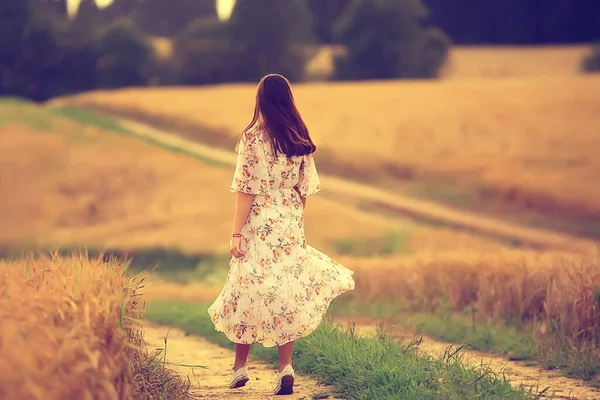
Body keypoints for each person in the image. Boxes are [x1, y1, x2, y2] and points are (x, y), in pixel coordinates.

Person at [207, 74, 355, 396]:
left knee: (246, 286)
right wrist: (296, 221)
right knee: (284, 291)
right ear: (288, 99)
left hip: (259, 220)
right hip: (289, 220)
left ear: (260, 100)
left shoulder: (252, 138)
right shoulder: (298, 137)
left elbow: (245, 190)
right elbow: (305, 189)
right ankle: (285, 367)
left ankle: (239, 369)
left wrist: (236, 234)